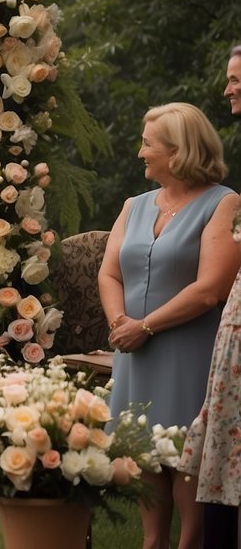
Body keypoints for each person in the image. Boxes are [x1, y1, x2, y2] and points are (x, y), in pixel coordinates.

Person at [99, 102, 239, 549]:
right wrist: (120, 322)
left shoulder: (227, 204)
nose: (140, 153)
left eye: (147, 144)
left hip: (190, 347)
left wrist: (146, 326)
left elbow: (211, 289)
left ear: (178, 151)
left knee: (184, 453)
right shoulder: (134, 205)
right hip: (134, 349)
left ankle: (190, 542)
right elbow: (109, 272)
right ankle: (153, 541)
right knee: (144, 451)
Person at [180, 45, 241, 548]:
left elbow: (210, 285)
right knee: (223, 435)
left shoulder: (223, 203)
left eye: (236, 79)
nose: (228, 89)